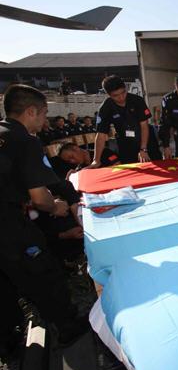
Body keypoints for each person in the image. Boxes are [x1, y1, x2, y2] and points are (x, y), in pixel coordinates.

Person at [0, 85, 88, 347]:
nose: (44, 120)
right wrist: (55, 207)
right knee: (45, 273)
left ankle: (9, 341)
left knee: (4, 283)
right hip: (8, 222)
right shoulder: (25, 141)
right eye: (44, 113)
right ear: (31, 112)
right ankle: (68, 326)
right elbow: (40, 197)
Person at [88, 75, 160, 167]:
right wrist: (96, 160)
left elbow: (144, 126)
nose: (121, 97)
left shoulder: (137, 101)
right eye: (116, 95)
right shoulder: (106, 108)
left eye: (123, 93)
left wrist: (143, 149)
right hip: (126, 144)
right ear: (109, 95)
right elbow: (101, 135)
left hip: (146, 141)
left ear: (125, 89)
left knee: (156, 166)